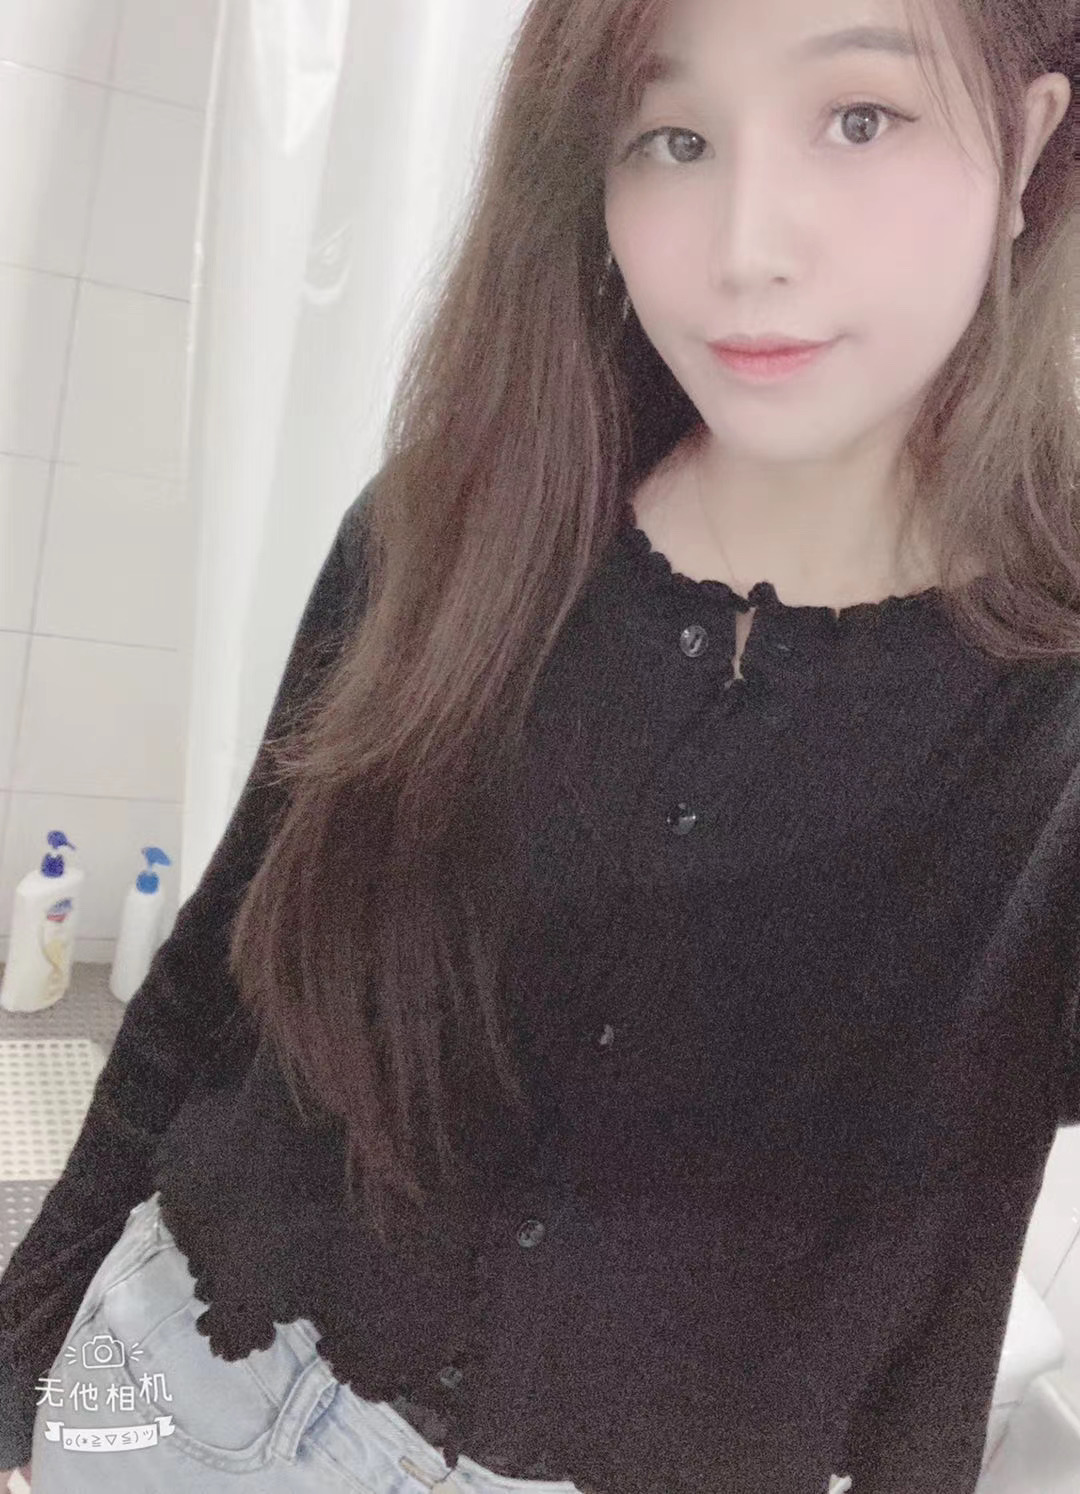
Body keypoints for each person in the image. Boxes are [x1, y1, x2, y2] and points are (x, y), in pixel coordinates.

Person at [1, 0, 1076, 1490]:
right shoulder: (452, 525)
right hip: (170, 1383)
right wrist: (18, 1371)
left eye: (859, 118)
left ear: (1027, 139)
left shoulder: (1049, 709)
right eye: (673, 137)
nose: (746, 246)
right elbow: (220, 973)